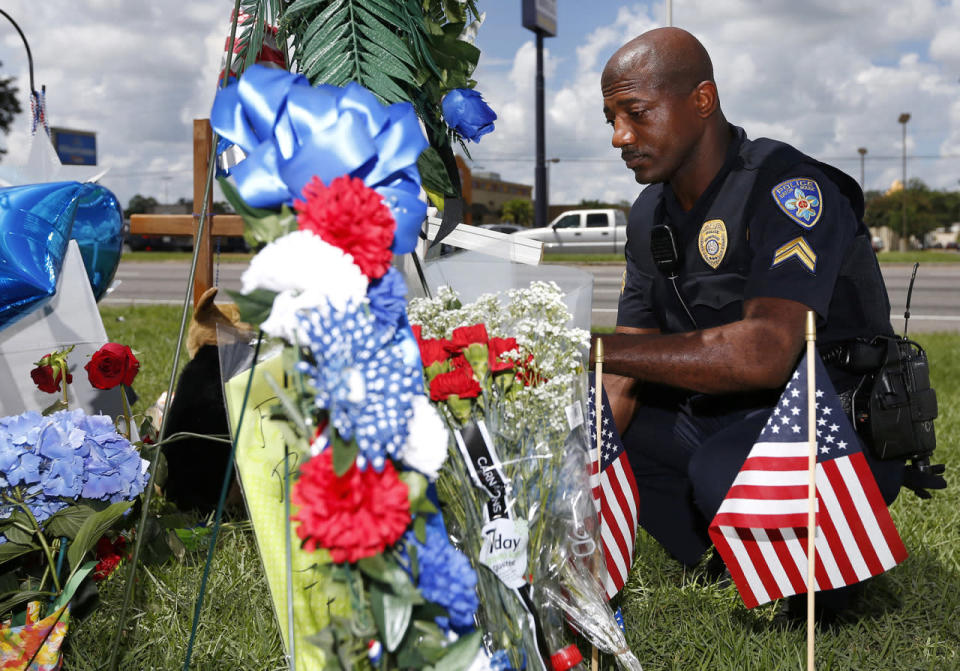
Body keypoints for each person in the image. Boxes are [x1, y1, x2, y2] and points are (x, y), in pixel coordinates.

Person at [596, 27, 914, 596]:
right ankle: (723, 562)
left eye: (636, 113)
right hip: (720, 413)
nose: (620, 136)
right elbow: (624, 366)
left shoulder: (787, 188)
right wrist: (576, 472)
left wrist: (596, 349)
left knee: (721, 470)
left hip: (827, 419)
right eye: (611, 119)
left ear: (701, 100)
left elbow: (766, 353)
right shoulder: (648, 216)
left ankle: (832, 577)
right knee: (607, 442)